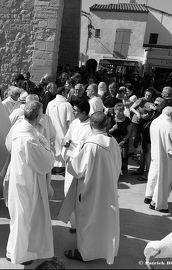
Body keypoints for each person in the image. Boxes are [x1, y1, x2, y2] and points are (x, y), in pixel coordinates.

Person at [59, 111, 121, 264]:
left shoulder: (91, 144)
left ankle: (84, 253)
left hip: (90, 190)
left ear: (91, 125)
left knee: (87, 221)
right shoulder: (113, 142)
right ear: (106, 125)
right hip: (108, 190)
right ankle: (104, 249)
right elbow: (118, 166)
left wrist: (69, 155)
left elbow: (76, 169)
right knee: (104, 220)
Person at [5, 101, 55, 265]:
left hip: (19, 177)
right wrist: (48, 149)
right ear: (39, 116)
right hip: (27, 181)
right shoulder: (29, 139)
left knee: (19, 216)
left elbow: (8, 144)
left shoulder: (19, 127)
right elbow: (46, 162)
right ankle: (21, 254)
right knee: (25, 217)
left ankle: (12, 249)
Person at [144, 107, 172, 213]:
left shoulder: (155, 121)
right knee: (163, 178)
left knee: (154, 174)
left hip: (156, 152)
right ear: (171, 114)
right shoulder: (167, 125)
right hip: (164, 155)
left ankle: (149, 195)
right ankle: (157, 202)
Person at [61, 100, 92, 233]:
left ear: (84, 112)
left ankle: (83, 224)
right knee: (68, 192)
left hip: (83, 165)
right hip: (71, 163)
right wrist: (66, 143)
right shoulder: (74, 123)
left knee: (81, 196)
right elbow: (66, 137)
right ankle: (74, 224)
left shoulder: (91, 126)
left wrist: (77, 146)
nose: (73, 112)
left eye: (75, 111)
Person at [46, 87, 75, 173]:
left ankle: (54, 167)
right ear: (63, 92)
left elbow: (47, 118)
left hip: (52, 132)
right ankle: (60, 168)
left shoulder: (50, 104)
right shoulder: (67, 105)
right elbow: (71, 122)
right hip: (63, 132)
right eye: (66, 92)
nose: (67, 94)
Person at [107, 102, 132, 175]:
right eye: (119, 110)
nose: (121, 112)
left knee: (123, 156)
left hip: (123, 141)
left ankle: (122, 171)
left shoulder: (127, 120)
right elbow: (107, 132)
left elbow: (129, 132)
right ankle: (114, 171)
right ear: (115, 111)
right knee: (114, 157)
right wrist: (113, 129)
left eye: (122, 110)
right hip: (113, 140)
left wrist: (123, 141)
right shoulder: (111, 120)